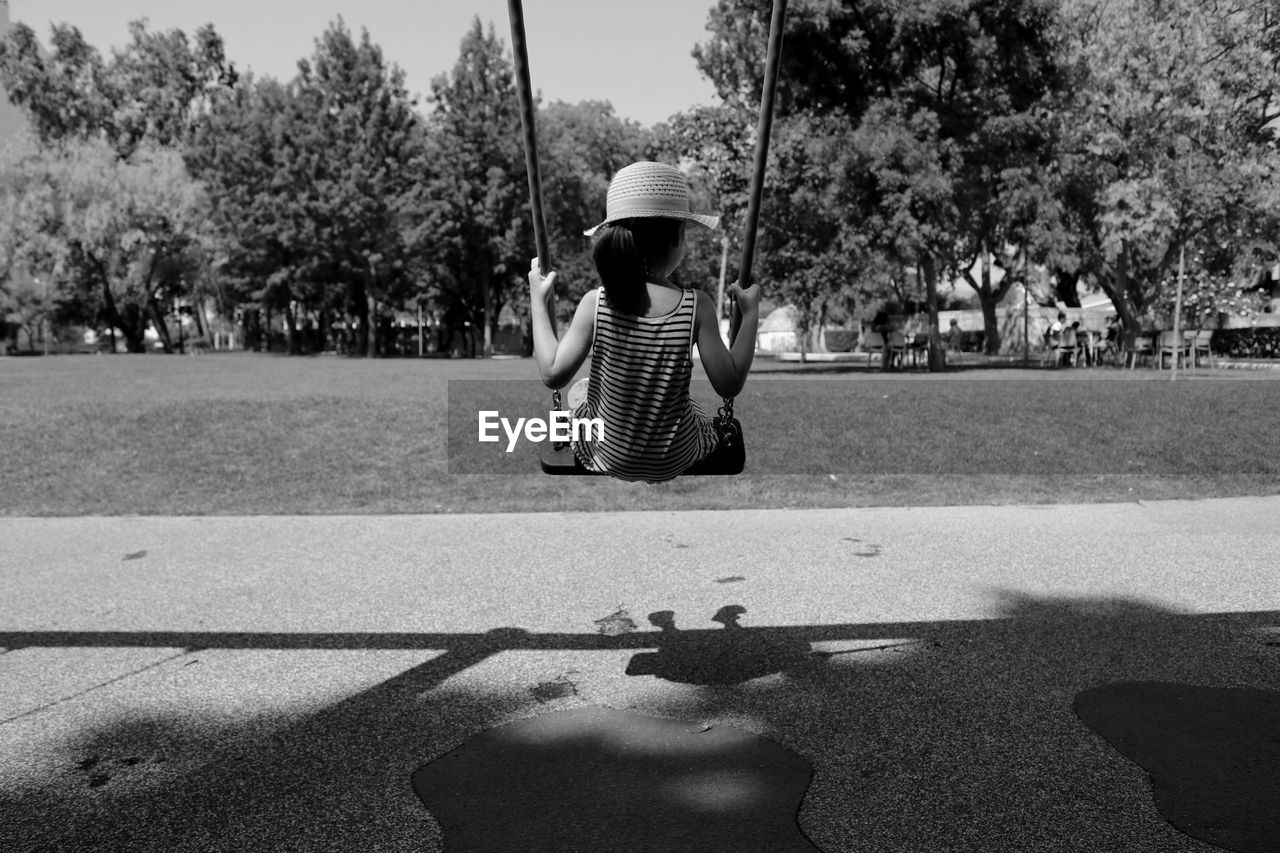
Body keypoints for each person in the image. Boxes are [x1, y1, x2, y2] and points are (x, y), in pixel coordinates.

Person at [528, 161, 761, 482]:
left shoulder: (596, 303)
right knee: (692, 410)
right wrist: (750, 315)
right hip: (675, 456)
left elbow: (552, 373)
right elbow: (729, 383)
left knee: (580, 395)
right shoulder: (698, 306)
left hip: (604, 452)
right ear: (679, 237)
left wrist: (538, 302)